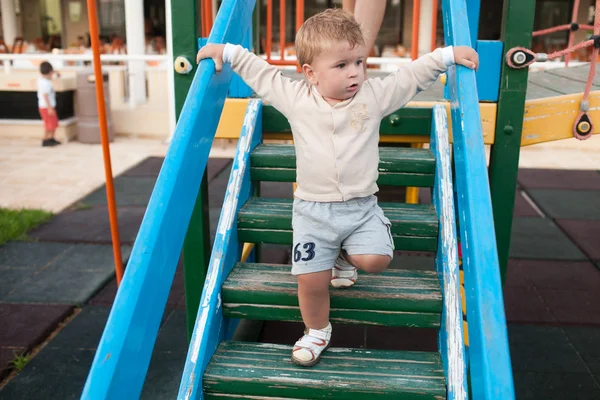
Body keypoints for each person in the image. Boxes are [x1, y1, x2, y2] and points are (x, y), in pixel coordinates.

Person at [197, 8, 478, 367]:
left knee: (376, 260)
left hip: (361, 209)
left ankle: (345, 256)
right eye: (342, 65)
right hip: (313, 213)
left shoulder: (372, 97)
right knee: (311, 282)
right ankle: (317, 330)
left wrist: (445, 56)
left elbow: (408, 78)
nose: (355, 73)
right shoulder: (297, 98)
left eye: (359, 62)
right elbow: (262, 74)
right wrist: (229, 53)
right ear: (310, 74)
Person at [37, 61, 61, 147]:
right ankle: (45, 139)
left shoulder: (42, 79)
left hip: (46, 106)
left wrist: (55, 72)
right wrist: (49, 108)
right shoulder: (45, 84)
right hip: (46, 107)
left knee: (53, 123)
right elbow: (45, 95)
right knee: (49, 124)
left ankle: (51, 138)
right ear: (50, 72)